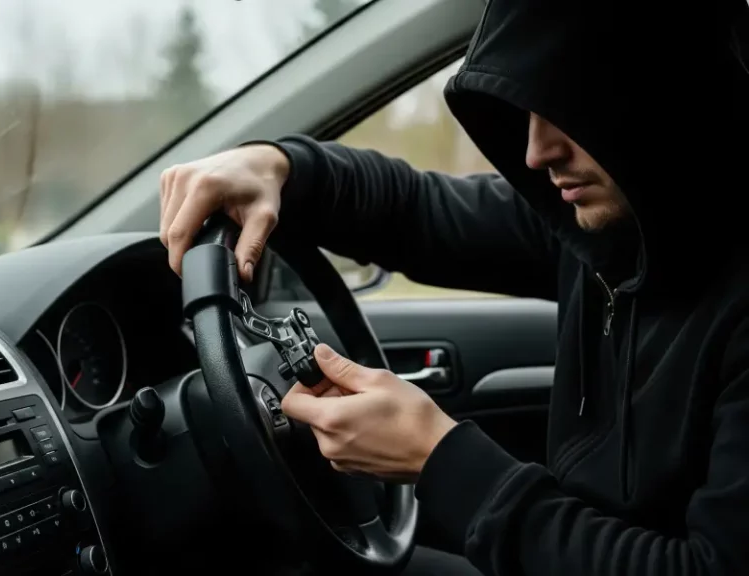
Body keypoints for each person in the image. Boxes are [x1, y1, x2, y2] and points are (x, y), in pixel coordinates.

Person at [159, 0, 749, 573]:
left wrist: (440, 458)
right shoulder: (602, 230)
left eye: (568, 107)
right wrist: (278, 166)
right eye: (527, 109)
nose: (536, 152)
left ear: (663, 90)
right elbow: (417, 211)